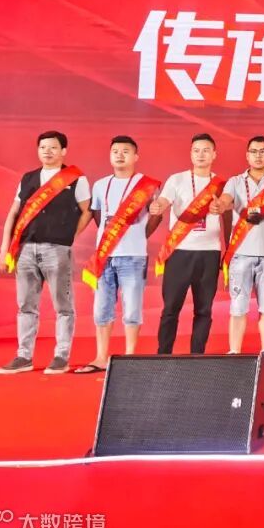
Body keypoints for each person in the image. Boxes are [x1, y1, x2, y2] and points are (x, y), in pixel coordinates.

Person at [0, 131, 92, 375]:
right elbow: (14, 213)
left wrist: (70, 236)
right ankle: (24, 356)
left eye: (53, 147)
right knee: (26, 305)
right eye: (43, 147)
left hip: (57, 249)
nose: (47, 151)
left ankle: (61, 357)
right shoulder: (28, 178)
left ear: (63, 151)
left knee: (63, 306)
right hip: (25, 249)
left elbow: (87, 211)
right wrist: (5, 248)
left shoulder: (76, 179)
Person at [75, 136, 162, 374]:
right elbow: (97, 215)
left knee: (132, 308)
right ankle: (101, 357)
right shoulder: (100, 185)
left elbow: (156, 216)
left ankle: (130, 357)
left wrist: (140, 235)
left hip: (133, 256)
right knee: (102, 308)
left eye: (125, 151)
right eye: (115, 151)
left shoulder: (147, 185)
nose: (120, 155)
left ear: (136, 156)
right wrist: (110, 237)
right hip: (104, 256)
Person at [216, 136, 264, 372]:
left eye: (263, 151)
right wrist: (221, 204)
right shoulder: (235, 182)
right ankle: (234, 352)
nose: (258, 155)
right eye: (254, 151)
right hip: (241, 255)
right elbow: (226, 200)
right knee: (238, 306)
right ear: (247, 155)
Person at [150, 133, 226, 355]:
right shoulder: (177, 179)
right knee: (170, 308)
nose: (201, 155)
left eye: (206, 150)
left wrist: (221, 206)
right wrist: (158, 206)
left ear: (214, 154)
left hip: (209, 253)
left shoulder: (222, 184)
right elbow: (164, 200)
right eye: (196, 150)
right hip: (179, 253)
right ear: (191, 154)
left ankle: (197, 355)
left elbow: (227, 207)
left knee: (204, 309)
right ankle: (163, 354)